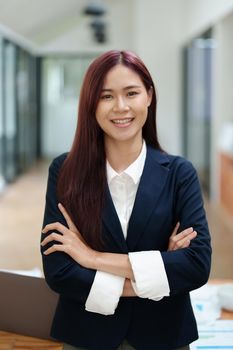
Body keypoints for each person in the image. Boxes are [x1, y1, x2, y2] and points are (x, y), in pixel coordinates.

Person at [40, 50, 211, 350]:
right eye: (106, 96)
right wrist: (159, 273)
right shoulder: (65, 171)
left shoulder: (179, 173)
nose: (120, 107)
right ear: (91, 104)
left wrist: (91, 258)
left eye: (131, 93)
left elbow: (196, 265)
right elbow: (59, 270)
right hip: (86, 335)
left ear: (148, 96)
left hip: (164, 335)